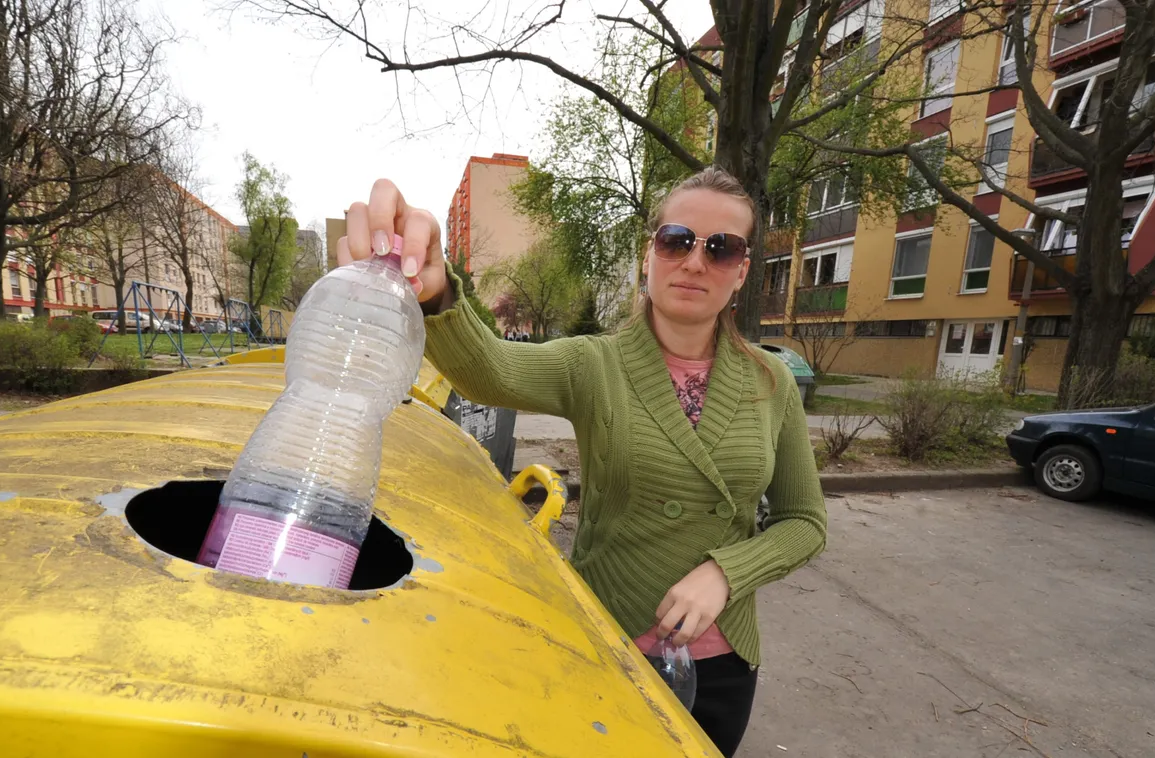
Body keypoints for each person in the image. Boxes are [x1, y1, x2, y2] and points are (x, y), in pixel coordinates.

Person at [337, 167, 827, 755]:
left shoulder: (771, 382)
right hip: (606, 644)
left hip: (724, 665)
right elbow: (489, 370)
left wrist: (726, 574)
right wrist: (436, 292)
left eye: (721, 248)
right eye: (677, 240)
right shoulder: (594, 365)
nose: (695, 262)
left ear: (742, 271)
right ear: (649, 254)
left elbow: (805, 522)